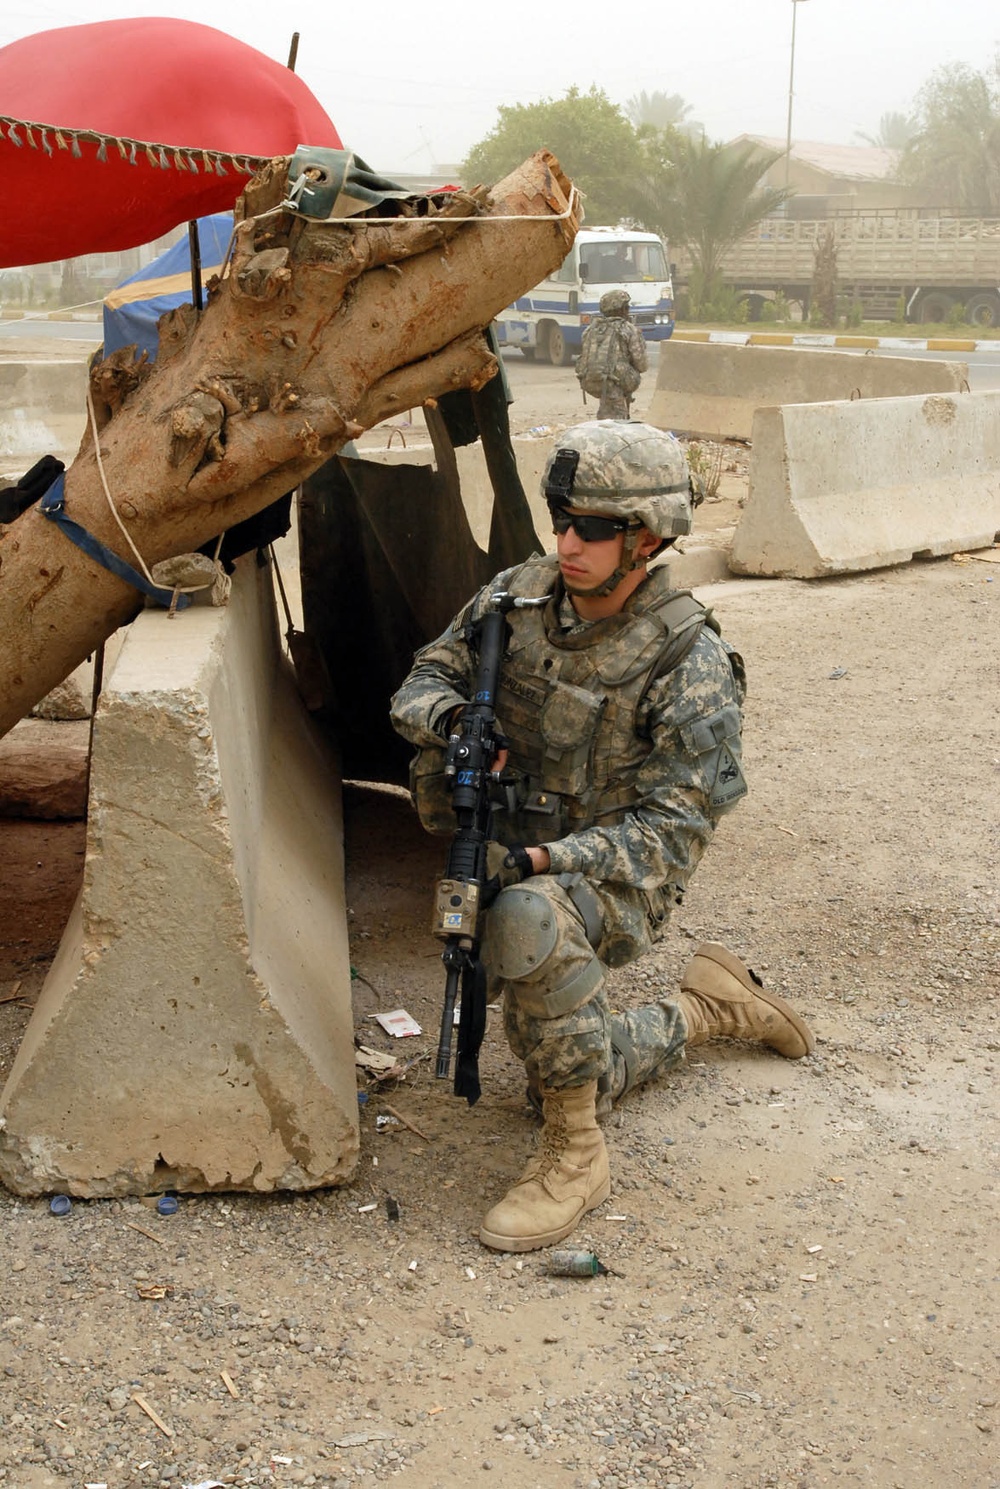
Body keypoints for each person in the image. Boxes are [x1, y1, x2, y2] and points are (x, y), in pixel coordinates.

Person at [390, 421, 814, 1254]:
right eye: (563, 520)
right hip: (522, 847)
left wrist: (546, 862)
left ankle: (577, 1156)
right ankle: (707, 1007)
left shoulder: (688, 659)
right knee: (561, 1065)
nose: (569, 542)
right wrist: (452, 719)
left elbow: (670, 833)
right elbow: (421, 676)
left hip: (614, 874)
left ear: (648, 538)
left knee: (529, 934)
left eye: (595, 527)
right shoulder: (517, 597)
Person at [576, 289, 648, 421]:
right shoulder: (628, 329)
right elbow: (642, 364)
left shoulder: (590, 329)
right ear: (622, 309)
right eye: (626, 307)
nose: (628, 310)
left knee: (608, 402)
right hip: (614, 382)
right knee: (616, 419)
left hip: (589, 380)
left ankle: (607, 412)